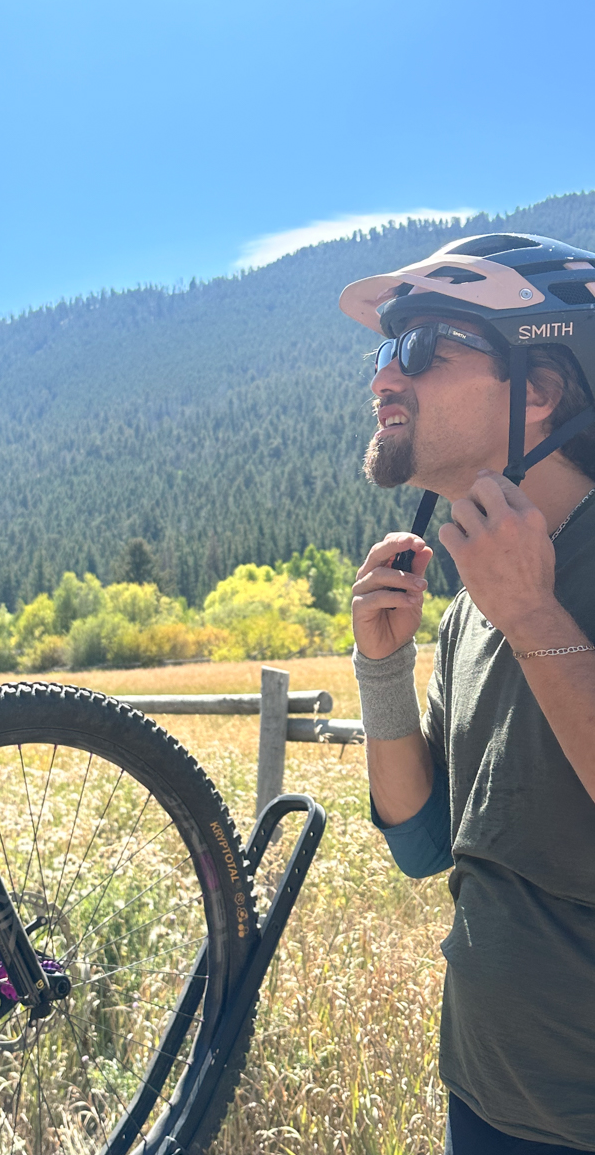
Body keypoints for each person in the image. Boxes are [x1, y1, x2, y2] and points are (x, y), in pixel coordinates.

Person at [339, 233, 595, 1154]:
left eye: (419, 347)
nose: (383, 377)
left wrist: (531, 612)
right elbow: (422, 844)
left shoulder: (521, 591)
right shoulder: (474, 601)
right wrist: (383, 671)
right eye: (385, 348)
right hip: (486, 1100)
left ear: (540, 388)